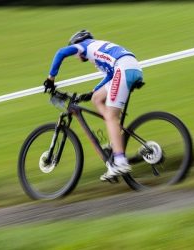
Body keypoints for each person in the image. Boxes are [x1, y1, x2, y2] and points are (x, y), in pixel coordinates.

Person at [43, 30, 143, 181]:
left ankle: (120, 162)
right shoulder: (97, 48)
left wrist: (50, 79)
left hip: (123, 69)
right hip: (129, 68)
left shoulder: (84, 46)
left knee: (110, 115)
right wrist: (92, 92)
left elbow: (60, 53)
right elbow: (110, 75)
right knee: (97, 99)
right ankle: (114, 138)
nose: (77, 56)